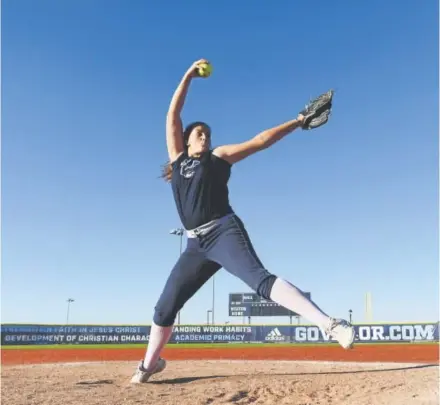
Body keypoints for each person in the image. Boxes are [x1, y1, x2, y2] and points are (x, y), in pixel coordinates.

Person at [130, 59, 355, 383]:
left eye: (207, 133)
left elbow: (259, 141)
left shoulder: (218, 157)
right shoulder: (178, 161)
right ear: (187, 139)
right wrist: (188, 75)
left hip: (223, 231)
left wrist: (297, 121)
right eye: (199, 132)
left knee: (260, 281)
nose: (204, 136)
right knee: (164, 308)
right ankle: (148, 365)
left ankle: (330, 324)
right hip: (195, 244)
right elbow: (172, 115)